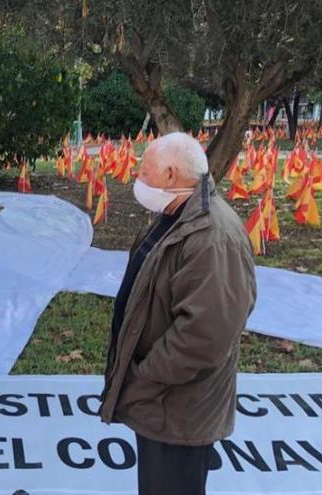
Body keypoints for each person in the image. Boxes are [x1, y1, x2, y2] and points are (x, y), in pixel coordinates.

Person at [98, 132, 257, 495]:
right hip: (162, 401)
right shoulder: (176, 214)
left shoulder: (213, 236)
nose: (137, 177)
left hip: (177, 404)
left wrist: (143, 379)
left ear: (170, 175)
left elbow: (204, 337)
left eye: (145, 170)